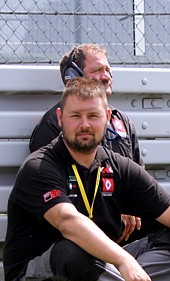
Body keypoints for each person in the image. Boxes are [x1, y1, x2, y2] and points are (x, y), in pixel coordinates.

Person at [3, 78, 170, 281]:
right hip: (39, 277)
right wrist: (124, 261)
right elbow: (68, 222)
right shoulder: (39, 166)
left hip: (100, 269)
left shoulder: (117, 166)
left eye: (93, 116)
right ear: (60, 117)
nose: (84, 124)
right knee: (71, 251)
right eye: (75, 116)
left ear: (107, 117)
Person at [30, 44, 147, 243]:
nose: (106, 76)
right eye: (97, 70)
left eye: (108, 70)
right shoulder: (52, 125)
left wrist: (132, 206)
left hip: (124, 223)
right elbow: (56, 195)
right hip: (78, 229)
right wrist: (112, 211)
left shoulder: (121, 121)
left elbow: (139, 178)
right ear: (73, 77)